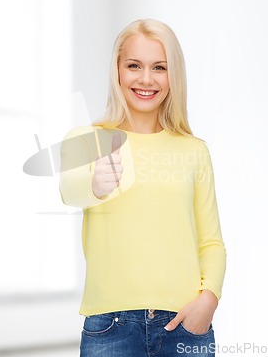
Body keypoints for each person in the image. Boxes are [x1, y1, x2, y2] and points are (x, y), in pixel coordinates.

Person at [59, 18, 227, 357]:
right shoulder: (87, 140)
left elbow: (211, 242)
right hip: (110, 326)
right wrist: (95, 183)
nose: (146, 79)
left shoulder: (193, 150)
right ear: (117, 70)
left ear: (173, 76)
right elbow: (69, 192)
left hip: (184, 324)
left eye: (159, 67)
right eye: (134, 65)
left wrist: (207, 301)